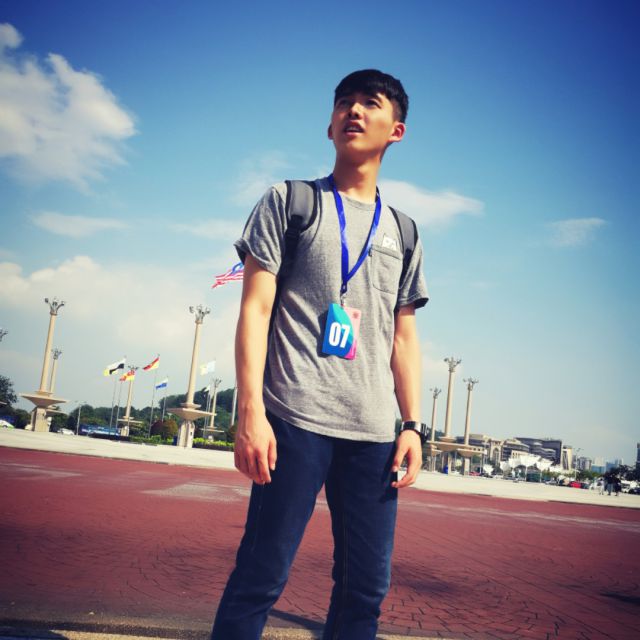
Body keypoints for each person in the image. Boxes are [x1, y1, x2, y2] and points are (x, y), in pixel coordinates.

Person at [210, 69, 429, 640]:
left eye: (370, 103)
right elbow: (255, 309)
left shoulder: (404, 232)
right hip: (294, 420)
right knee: (261, 575)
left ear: (396, 130)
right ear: (330, 124)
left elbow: (404, 337)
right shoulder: (291, 202)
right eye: (344, 103)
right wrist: (250, 412)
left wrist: (412, 426)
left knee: (365, 591)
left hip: (374, 435)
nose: (354, 111)